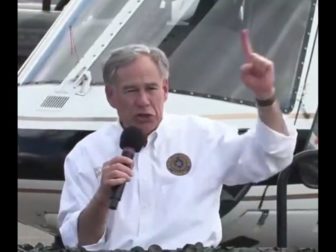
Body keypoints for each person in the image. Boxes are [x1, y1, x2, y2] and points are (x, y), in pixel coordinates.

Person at [57, 30, 297, 251]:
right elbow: (78, 240)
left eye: (151, 88)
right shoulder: (87, 153)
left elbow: (272, 155)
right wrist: (101, 197)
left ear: (165, 89)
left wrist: (265, 96)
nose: (143, 101)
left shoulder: (202, 136)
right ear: (111, 96)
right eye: (131, 91)